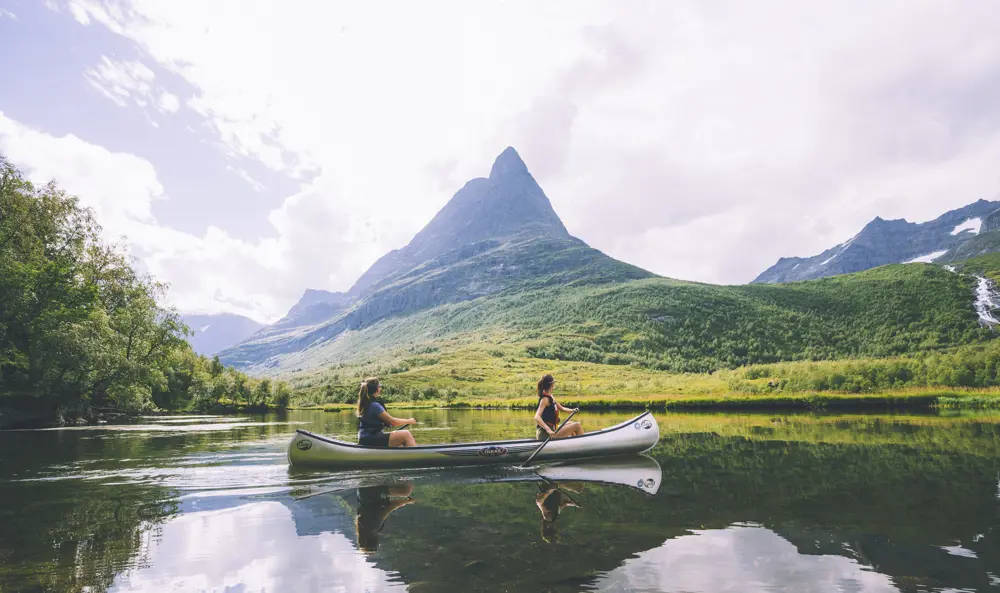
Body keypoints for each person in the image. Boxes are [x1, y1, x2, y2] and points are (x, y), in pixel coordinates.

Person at [355, 481, 415, 552]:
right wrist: (404, 502)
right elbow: (391, 505)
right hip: (363, 493)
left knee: (405, 491)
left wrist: (409, 501)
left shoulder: (373, 526)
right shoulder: (362, 527)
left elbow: (390, 507)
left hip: (371, 493)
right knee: (398, 489)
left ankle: (406, 473)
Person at [357, 377, 417, 447]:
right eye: (379, 386)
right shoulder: (374, 405)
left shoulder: (367, 402)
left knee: (399, 436)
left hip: (366, 438)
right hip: (369, 438)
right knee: (406, 435)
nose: (380, 388)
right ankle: (414, 456)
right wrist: (409, 421)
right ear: (376, 388)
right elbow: (393, 422)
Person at [533, 373, 583, 441]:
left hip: (553, 429)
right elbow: (536, 417)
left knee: (571, 423)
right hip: (546, 435)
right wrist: (548, 430)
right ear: (551, 384)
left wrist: (573, 410)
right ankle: (582, 445)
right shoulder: (545, 399)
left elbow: (561, 408)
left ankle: (574, 445)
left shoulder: (550, 396)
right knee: (577, 425)